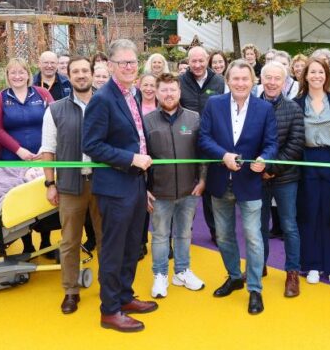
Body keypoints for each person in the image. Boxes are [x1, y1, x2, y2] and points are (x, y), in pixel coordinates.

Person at [82, 39, 159, 332]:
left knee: (132, 246)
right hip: (115, 186)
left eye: (133, 61)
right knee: (114, 250)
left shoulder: (133, 94)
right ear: (111, 66)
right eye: (124, 62)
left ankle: (125, 297)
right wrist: (131, 159)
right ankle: (110, 310)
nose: (130, 67)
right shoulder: (103, 99)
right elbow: (91, 145)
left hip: (135, 184)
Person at [199, 60, 278, 315]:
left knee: (254, 238)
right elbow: (203, 138)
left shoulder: (264, 109)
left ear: (252, 80)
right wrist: (223, 155)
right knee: (223, 235)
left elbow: (271, 143)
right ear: (228, 80)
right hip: (220, 182)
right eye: (236, 79)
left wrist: (264, 158)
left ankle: (254, 289)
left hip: (251, 184)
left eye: (245, 79)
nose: (241, 83)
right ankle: (234, 276)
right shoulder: (214, 104)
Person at [38, 56, 104, 315]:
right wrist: (50, 183)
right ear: (68, 75)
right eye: (75, 71)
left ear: (91, 73)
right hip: (69, 186)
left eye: (84, 70)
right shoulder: (55, 109)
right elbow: (48, 150)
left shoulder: (107, 104)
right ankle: (71, 291)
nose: (80, 75)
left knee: (106, 238)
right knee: (69, 241)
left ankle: (108, 287)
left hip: (104, 184)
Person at [144, 72, 206, 299]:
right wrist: (144, 188)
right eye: (164, 90)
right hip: (159, 192)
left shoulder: (194, 118)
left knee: (183, 234)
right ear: (156, 93)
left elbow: (202, 153)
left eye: (173, 90)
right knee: (160, 236)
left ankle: (182, 271)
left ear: (179, 92)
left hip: (189, 190)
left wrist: (202, 180)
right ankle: (160, 275)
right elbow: (142, 157)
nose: (169, 94)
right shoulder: (146, 121)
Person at [295, 55, 330, 287]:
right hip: (306, 162)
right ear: (305, 76)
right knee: (309, 214)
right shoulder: (297, 103)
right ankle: (311, 264)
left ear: (326, 76)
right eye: (312, 72)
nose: (317, 76)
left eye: (321, 72)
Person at [0, 58, 55, 255]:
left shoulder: (42, 93)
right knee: (20, 201)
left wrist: (46, 149)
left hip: (43, 156)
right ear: (7, 76)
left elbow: (55, 120)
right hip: (13, 158)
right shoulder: (0, 98)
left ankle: (46, 241)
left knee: (44, 197)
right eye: (13, 73)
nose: (17, 76)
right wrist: (19, 150)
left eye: (21, 72)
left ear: (28, 74)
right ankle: (27, 244)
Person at [256, 61, 305, 297]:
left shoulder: (294, 109)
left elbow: (295, 146)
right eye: (268, 78)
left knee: (289, 226)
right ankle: (259, 267)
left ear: (285, 82)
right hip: (257, 178)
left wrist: (272, 168)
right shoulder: (251, 107)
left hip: (285, 178)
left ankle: (292, 273)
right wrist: (259, 169)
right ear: (261, 79)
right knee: (258, 226)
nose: (272, 82)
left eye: (277, 78)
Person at [179, 46, 226, 243]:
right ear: (188, 62)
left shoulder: (219, 81)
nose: (197, 65)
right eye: (193, 61)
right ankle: (184, 231)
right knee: (185, 189)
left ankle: (216, 231)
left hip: (211, 143)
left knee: (210, 190)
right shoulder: (180, 81)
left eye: (201, 60)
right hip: (185, 142)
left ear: (207, 60)